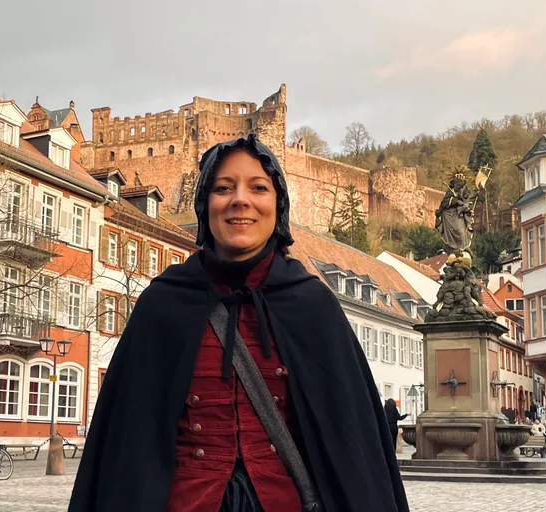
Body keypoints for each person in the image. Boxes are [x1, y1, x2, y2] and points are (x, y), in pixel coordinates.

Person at [68, 134, 410, 512]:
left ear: (278, 204)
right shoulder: (163, 304)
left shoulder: (313, 305)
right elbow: (125, 448)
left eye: (258, 187)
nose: (240, 200)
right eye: (223, 188)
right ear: (205, 203)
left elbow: (353, 452)